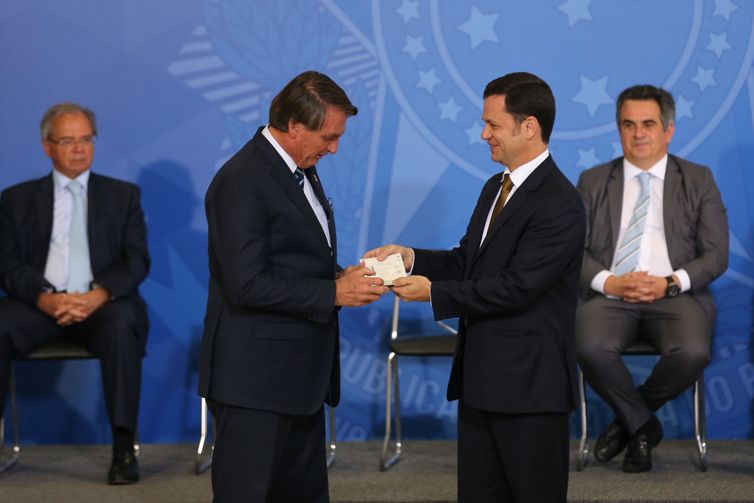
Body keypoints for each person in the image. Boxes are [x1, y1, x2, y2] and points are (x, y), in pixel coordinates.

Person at [365, 72, 585, 502]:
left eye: (493, 125)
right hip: (482, 379)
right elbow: (470, 261)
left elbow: (517, 287)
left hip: (528, 388)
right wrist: (412, 257)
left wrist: (433, 293)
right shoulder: (494, 187)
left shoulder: (560, 203)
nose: (483, 134)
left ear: (529, 127)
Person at [199, 70, 387, 502]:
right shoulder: (241, 180)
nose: (335, 148)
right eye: (328, 136)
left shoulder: (298, 168)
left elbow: (293, 255)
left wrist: (341, 276)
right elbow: (246, 283)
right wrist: (333, 294)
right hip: (255, 380)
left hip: (299, 377)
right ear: (294, 125)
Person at [575, 84, 728, 472]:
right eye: (628, 124)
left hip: (675, 294)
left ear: (668, 130)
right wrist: (610, 282)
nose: (638, 133)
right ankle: (644, 426)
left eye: (648, 124)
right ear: (618, 129)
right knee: (590, 347)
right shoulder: (593, 181)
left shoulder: (698, 179)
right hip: (610, 295)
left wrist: (670, 282)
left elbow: (715, 254)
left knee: (692, 352)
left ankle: (630, 424)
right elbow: (572, 252)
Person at [0, 102, 149, 484]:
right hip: (38, 304)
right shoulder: (15, 200)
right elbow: (8, 264)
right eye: (68, 140)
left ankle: (122, 449)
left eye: (86, 139)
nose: (80, 148)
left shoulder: (123, 196)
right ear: (47, 146)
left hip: (100, 304)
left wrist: (98, 295)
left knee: (123, 322)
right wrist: (44, 298)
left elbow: (136, 261)